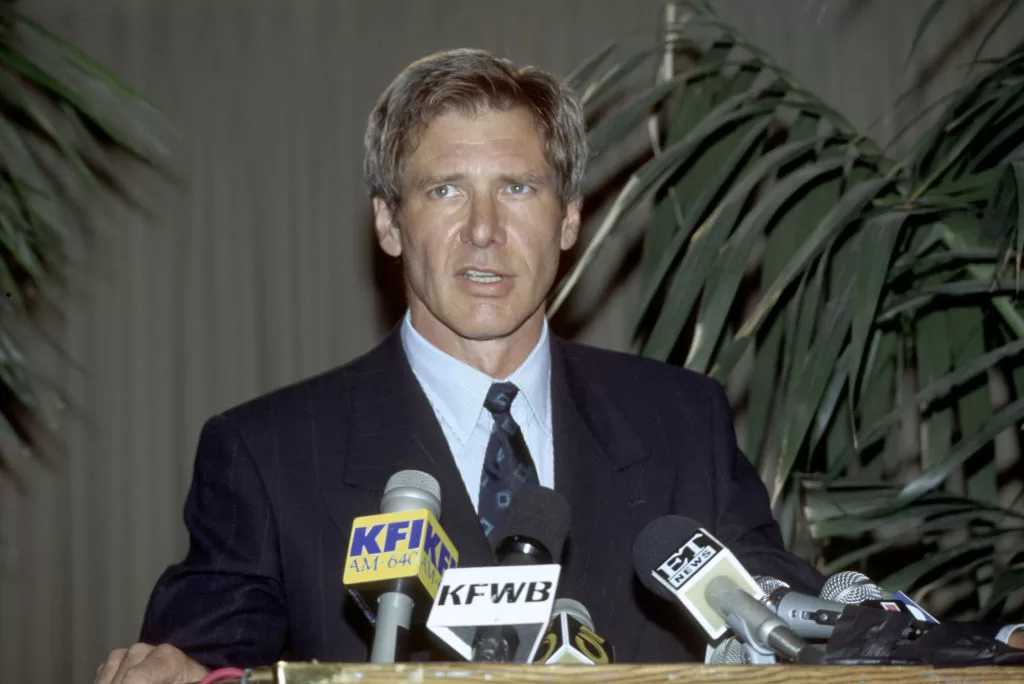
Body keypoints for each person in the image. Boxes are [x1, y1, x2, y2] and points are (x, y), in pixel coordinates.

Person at [90, 48, 1022, 684]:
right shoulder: (265, 452)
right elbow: (201, 651)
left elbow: (790, 609)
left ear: (569, 218)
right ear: (388, 222)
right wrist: (173, 665)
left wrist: (991, 649)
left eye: (521, 189)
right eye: (445, 189)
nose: (485, 232)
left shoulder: (679, 420)